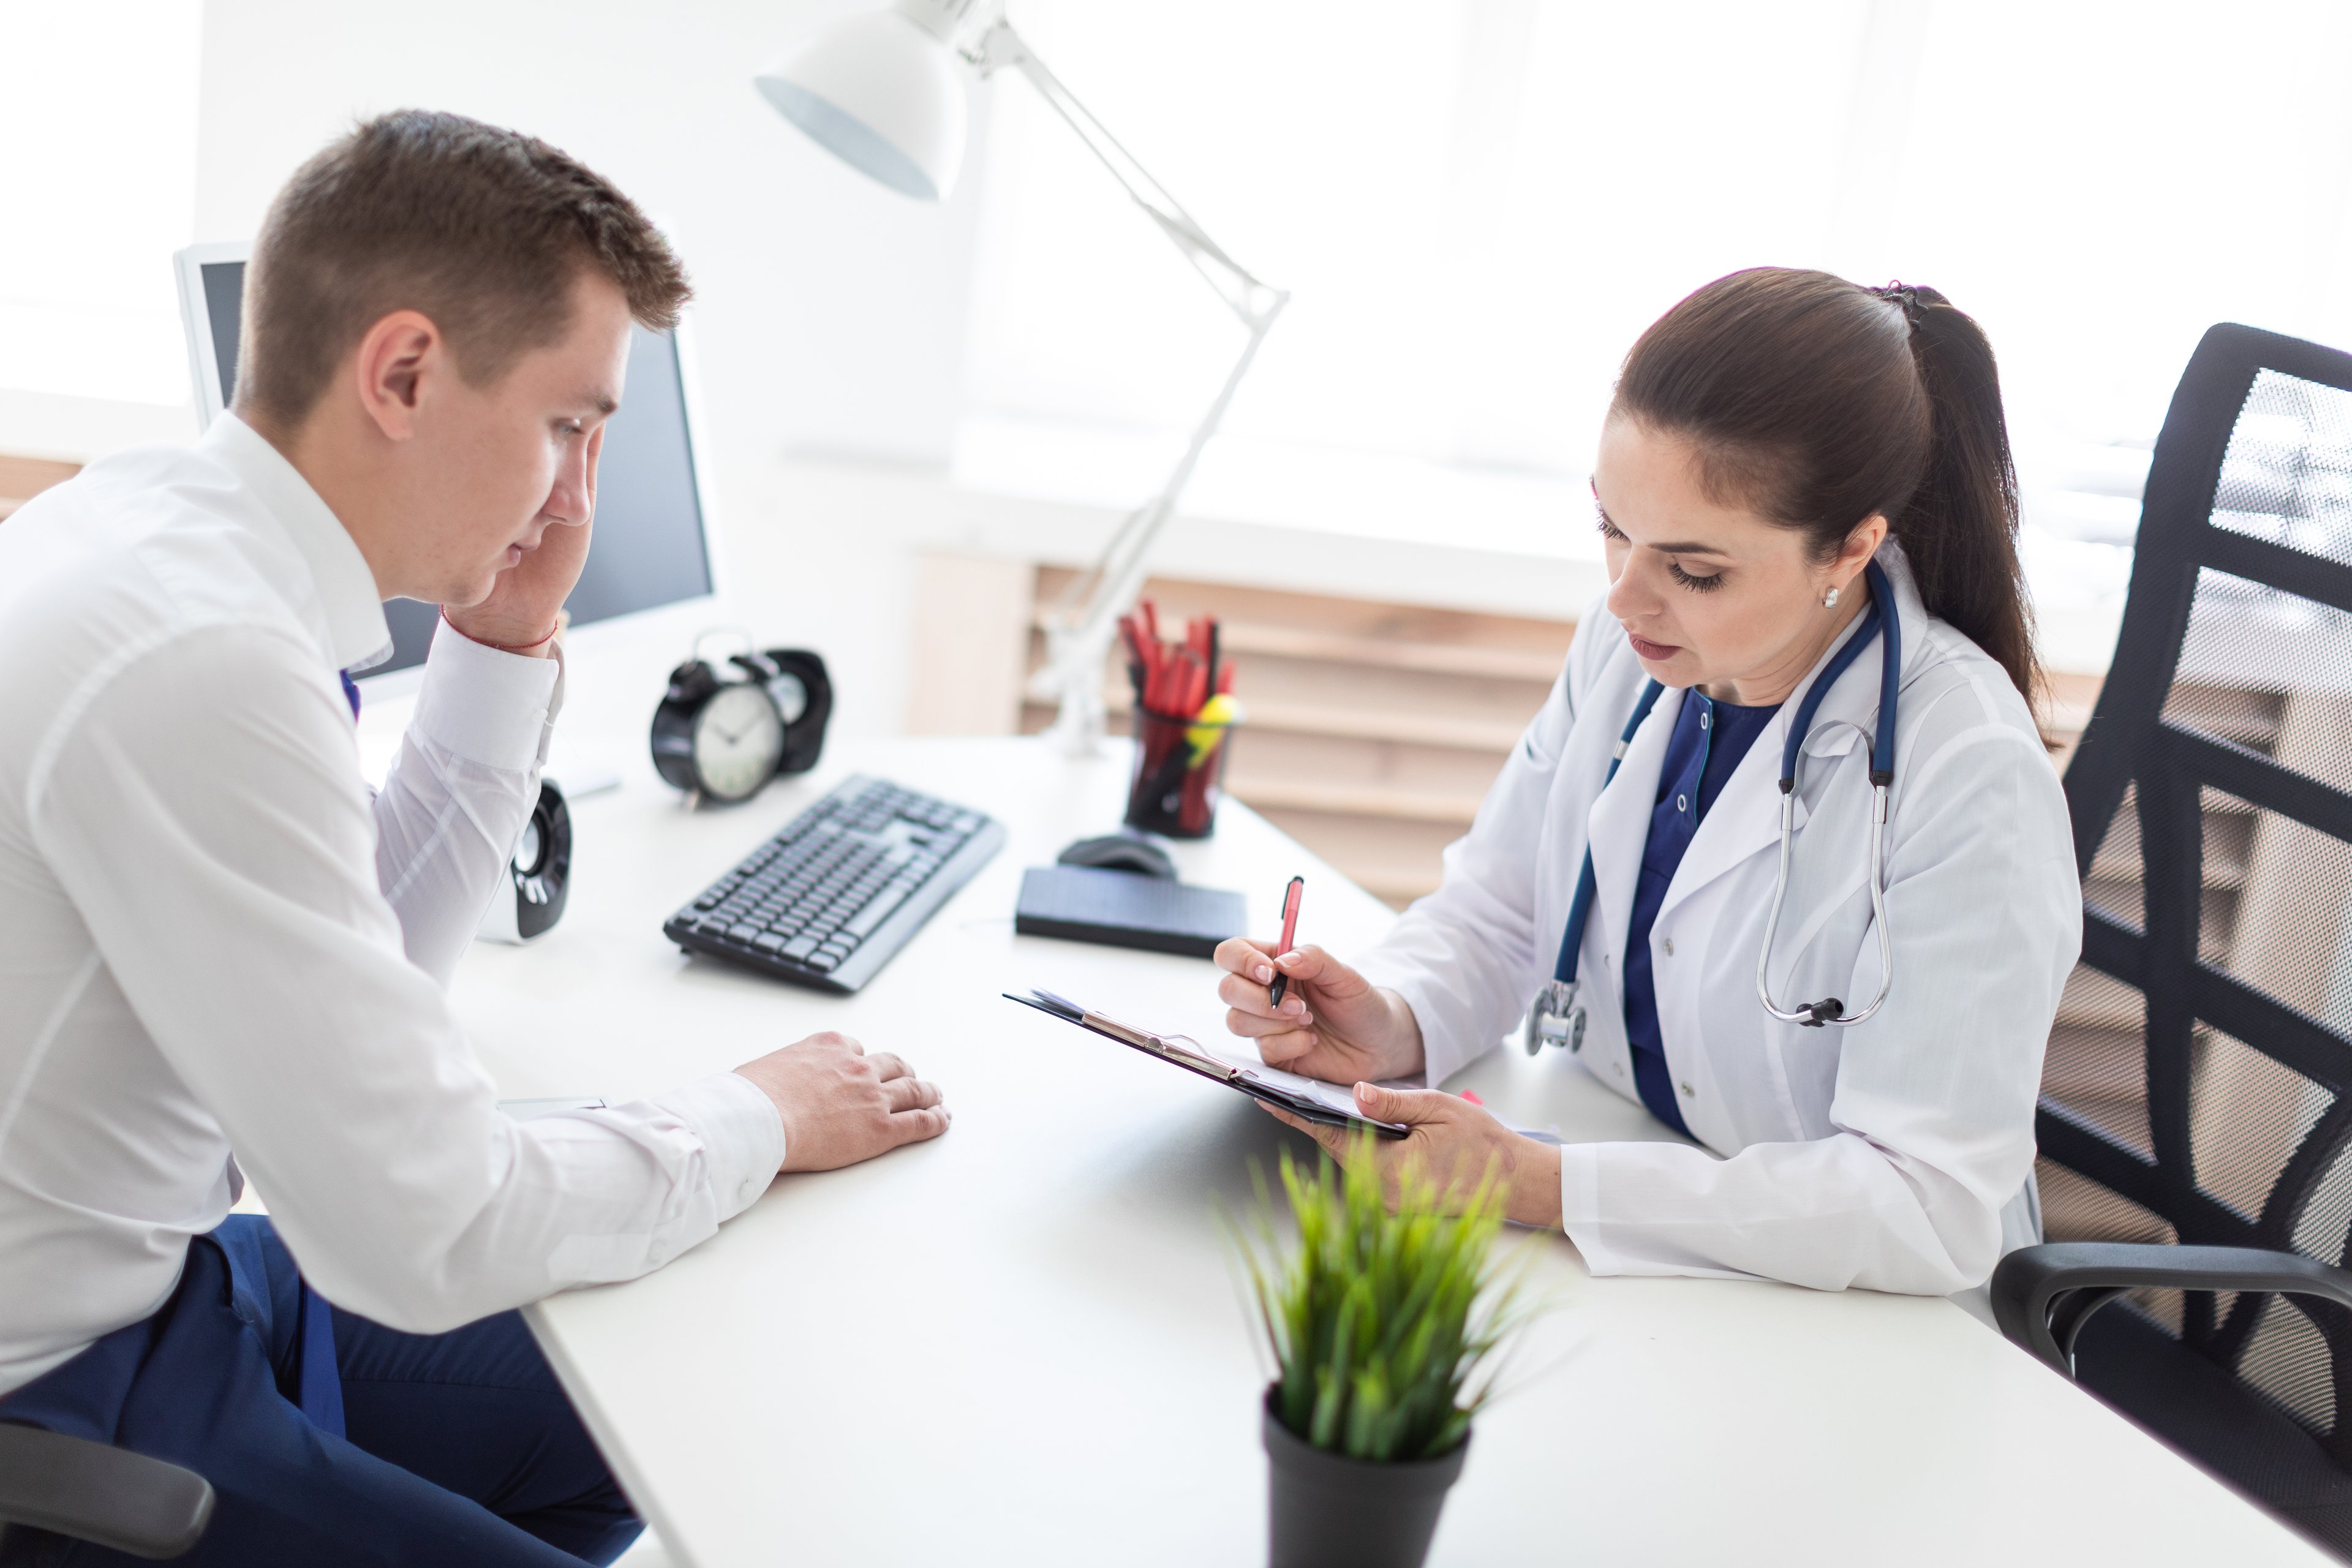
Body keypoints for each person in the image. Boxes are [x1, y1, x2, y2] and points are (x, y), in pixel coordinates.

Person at [0, 111, 948, 1565]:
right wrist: (759, 1112)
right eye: (569, 424)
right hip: (64, 1399)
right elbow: (424, 1229)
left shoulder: (178, 539)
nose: (582, 491)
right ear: (404, 373)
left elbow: (378, 972)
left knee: (651, 1398)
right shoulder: (197, 654)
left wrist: (504, 638)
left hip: (173, 1280)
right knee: (643, 1327)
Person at [1217, 268, 2079, 1300]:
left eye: (1694, 570)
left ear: (1851, 547)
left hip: (1867, 1315)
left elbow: (1927, 1207)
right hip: (1653, 1227)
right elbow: (1501, 915)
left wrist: (1540, 1185)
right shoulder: (1632, 648)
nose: (1624, 596)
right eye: (1612, 530)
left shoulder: (1966, 770)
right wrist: (1395, 1019)